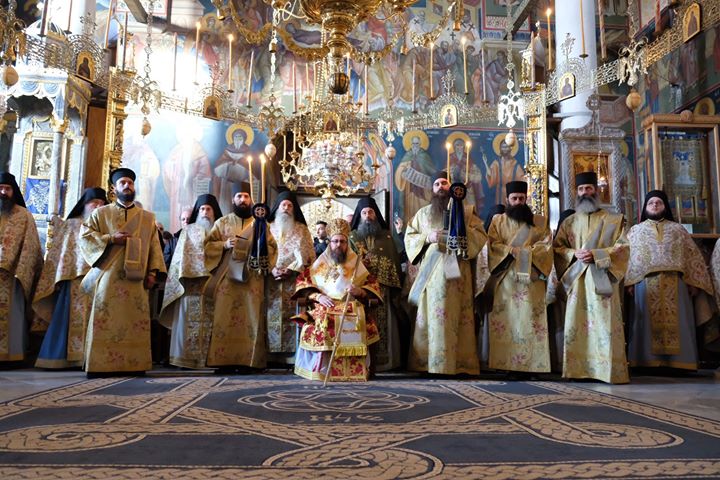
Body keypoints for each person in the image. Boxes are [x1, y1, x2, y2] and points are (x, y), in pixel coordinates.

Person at [79, 168, 166, 375]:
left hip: (137, 278)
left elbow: (155, 246)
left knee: (134, 319)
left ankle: (134, 364)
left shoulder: (147, 218)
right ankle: (100, 365)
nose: (127, 186)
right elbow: (85, 238)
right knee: (105, 318)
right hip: (108, 277)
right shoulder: (101, 213)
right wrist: (111, 239)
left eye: (130, 183)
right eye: (123, 183)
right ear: (114, 188)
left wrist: (153, 273)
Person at [404, 171, 487, 375]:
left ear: (453, 187)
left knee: (458, 315)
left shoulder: (467, 212)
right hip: (432, 278)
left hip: (458, 275)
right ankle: (428, 363)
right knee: (432, 317)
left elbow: (481, 236)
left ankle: (460, 364)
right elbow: (410, 237)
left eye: (445, 183)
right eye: (437, 184)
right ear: (432, 189)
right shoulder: (422, 214)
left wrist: (462, 235)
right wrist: (427, 237)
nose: (441, 187)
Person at [625, 190, 717, 371]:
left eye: (659, 202)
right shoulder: (635, 231)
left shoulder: (678, 229)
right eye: (651, 203)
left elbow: (691, 257)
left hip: (677, 284)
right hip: (644, 284)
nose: (655, 205)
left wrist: (693, 282)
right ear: (646, 207)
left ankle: (681, 363)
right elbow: (628, 257)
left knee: (680, 324)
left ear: (665, 206)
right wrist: (629, 282)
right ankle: (645, 363)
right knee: (644, 325)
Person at [553, 172, 630, 384]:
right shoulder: (569, 222)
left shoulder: (614, 220)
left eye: (588, 188)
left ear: (597, 190)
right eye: (580, 189)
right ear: (576, 193)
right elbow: (558, 248)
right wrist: (573, 254)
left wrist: (597, 254)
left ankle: (605, 371)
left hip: (602, 279)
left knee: (604, 324)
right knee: (577, 323)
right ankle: (578, 370)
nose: (585, 192)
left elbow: (623, 248)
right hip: (577, 282)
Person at [291, 218, 382, 382]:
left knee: (361, 323)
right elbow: (302, 282)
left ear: (347, 243)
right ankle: (323, 370)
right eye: (335, 241)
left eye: (342, 241)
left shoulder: (357, 264)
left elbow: (373, 285)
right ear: (329, 242)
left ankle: (356, 370)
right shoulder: (320, 263)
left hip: (351, 304)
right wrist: (318, 296)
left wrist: (360, 291)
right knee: (323, 323)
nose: (338, 245)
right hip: (325, 306)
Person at [203, 183, 277, 372]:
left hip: (253, 278)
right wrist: (224, 244)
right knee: (224, 317)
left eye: (246, 196)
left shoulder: (261, 224)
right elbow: (207, 246)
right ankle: (222, 361)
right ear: (233, 200)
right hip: (227, 278)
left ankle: (250, 361)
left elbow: (273, 249)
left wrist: (259, 250)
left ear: (251, 200)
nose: (242, 200)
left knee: (252, 317)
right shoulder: (222, 222)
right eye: (239, 197)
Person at [33, 188, 108, 369]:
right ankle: (64, 359)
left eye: (101, 203)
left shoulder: (107, 228)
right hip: (75, 280)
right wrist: (58, 278)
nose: (97, 206)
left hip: (101, 280)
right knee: (69, 320)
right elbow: (60, 253)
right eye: (93, 203)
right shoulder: (72, 224)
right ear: (84, 205)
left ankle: (94, 359)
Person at [486, 181, 553, 375]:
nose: (518, 202)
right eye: (514, 198)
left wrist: (526, 252)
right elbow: (491, 245)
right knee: (507, 320)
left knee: (530, 320)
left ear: (526, 199)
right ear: (507, 200)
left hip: (531, 278)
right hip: (506, 279)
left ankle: (533, 366)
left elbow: (546, 246)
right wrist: (510, 250)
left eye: (521, 198)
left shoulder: (540, 221)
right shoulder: (498, 221)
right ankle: (506, 365)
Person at [159, 194, 222, 369]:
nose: (205, 212)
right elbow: (184, 257)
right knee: (187, 322)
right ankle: (185, 359)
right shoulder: (190, 230)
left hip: (215, 284)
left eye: (209, 209)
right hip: (191, 285)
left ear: (214, 211)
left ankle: (211, 359)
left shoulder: (221, 229)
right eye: (202, 209)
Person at [350, 197, 404, 371]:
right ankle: (359, 361)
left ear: (376, 214)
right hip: (359, 289)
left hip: (382, 289)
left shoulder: (387, 236)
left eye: (371, 212)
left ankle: (385, 363)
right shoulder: (352, 237)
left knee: (385, 323)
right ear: (359, 215)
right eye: (364, 213)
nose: (367, 216)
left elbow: (394, 260)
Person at [266, 191, 315, 364]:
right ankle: (268, 356)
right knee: (268, 315)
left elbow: (309, 256)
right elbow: (260, 252)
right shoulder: (267, 227)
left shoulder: (302, 230)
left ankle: (290, 357)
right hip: (269, 281)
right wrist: (271, 269)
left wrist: (292, 269)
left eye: (289, 205)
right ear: (277, 208)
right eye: (283, 205)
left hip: (293, 281)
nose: (286, 208)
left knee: (291, 316)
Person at [0, 172, 43, 363]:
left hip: (12, 276)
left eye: (7, 189)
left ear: (13, 191)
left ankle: (11, 357)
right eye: (0, 188)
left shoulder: (24, 215)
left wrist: (19, 269)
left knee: (12, 318)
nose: (3, 192)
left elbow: (31, 246)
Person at [483, 139, 526, 205]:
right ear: (500, 149)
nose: (505, 149)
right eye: (503, 147)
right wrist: (485, 163)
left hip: (512, 192)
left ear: (510, 148)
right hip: (500, 192)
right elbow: (491, 176)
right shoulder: (497, 163)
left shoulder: (515, 164)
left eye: (506, 147)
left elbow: (522, 178)